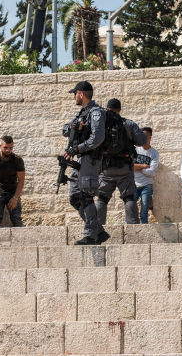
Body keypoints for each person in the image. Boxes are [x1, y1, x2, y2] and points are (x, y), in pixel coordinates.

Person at [62, 81, 108, 245]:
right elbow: (64, 129)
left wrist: (77, 149)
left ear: (81, 93)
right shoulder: (82, 113)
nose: (74, 96)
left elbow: (97, 138)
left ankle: (90, 236)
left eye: (75, 93)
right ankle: (99, 232)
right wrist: (74, 127)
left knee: (85, 195)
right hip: (81, 159)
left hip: (90, 158)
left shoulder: (96, 113)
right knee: (75, 197)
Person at [94, 99, 148, 225]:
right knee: (129, 198)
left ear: (107, 109)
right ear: (120, 110)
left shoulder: (100, 125)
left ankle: (97, 229)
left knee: (102, 198)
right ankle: (133, 228)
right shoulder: (128, 123)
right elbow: (142, 141)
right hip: (125, 167)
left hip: (106, 168)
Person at [134, 127, 159, 224]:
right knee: (131, 207)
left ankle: (143, 229)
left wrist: (138, 168)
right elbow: (129, 166)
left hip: (147, 185)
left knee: (144, 211)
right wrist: (143, 166)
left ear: (150, 137)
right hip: (134, 183)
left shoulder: (154, 153)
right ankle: (132, 229)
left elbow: (152, 172)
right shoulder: (135, 149)